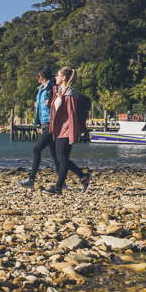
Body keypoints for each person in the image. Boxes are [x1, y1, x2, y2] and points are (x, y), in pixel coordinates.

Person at [42, 66, 91, 195]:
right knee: (60, 158)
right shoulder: (59, 92)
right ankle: (83, 177)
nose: (55, 77)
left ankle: (58, 188)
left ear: (64, 77)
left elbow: (72, 115)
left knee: (63, 158)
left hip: (66, 130)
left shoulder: (70, 94)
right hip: (58, 130)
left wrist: (72, 135)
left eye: (58, 75)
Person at [16, 67, 59, 189]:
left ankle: (31, 179)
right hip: (45, 123)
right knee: (54, 154)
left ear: (43, 74)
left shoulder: (52, 87)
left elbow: (58, 103)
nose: (37, 77)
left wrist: (50, 103)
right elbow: (44, 104)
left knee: (36, 149)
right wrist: (38, 106)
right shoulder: (41, 89)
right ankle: (68, 180)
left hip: (51, 122)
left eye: (38, 75)